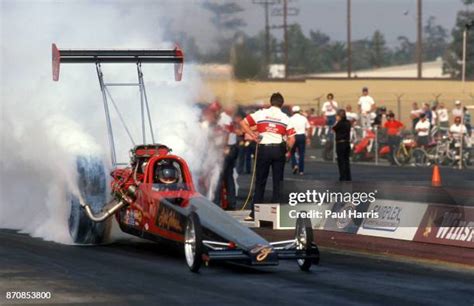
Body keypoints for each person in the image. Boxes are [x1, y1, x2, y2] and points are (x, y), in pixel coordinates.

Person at [240, 93, 296, 221]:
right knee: (278, 183)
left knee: (260, 182)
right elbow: (292, 139)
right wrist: (287, 151)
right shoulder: (286, 118)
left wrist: (253, 136)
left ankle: (254, 213)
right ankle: (277, 213)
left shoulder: (261, 113)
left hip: (264, 149)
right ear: (281, 104)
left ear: (271, 102)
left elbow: (243, 123)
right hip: (278, 150)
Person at [214, 106, 238, 210]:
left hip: (227, 149)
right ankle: (231, 203)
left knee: (219, 176)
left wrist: (224, 147)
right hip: (230, 148)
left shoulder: (224, 118)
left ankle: (216, 202)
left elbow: (226, 133)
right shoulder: (224, 118)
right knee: (228, 176)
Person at [289, 105, 311, 175]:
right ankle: (301, 171)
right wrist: (308, 137)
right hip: (302, 136)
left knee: (292, 152)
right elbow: (309, 128)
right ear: (299, 111)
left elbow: (289, 129)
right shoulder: (304, 118)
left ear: (293, 112)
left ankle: (295, 165)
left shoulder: (290, 118)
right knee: (301, 154)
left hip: (294, 136)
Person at [333, 109, 352, 181]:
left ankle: (343, 176)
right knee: (346, 161)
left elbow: (334, 128)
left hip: (341, 143)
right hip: (347, 143)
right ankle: (348, 177)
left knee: (341, 161)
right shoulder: (348, 122)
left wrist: (337, 121)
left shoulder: (339, 123)